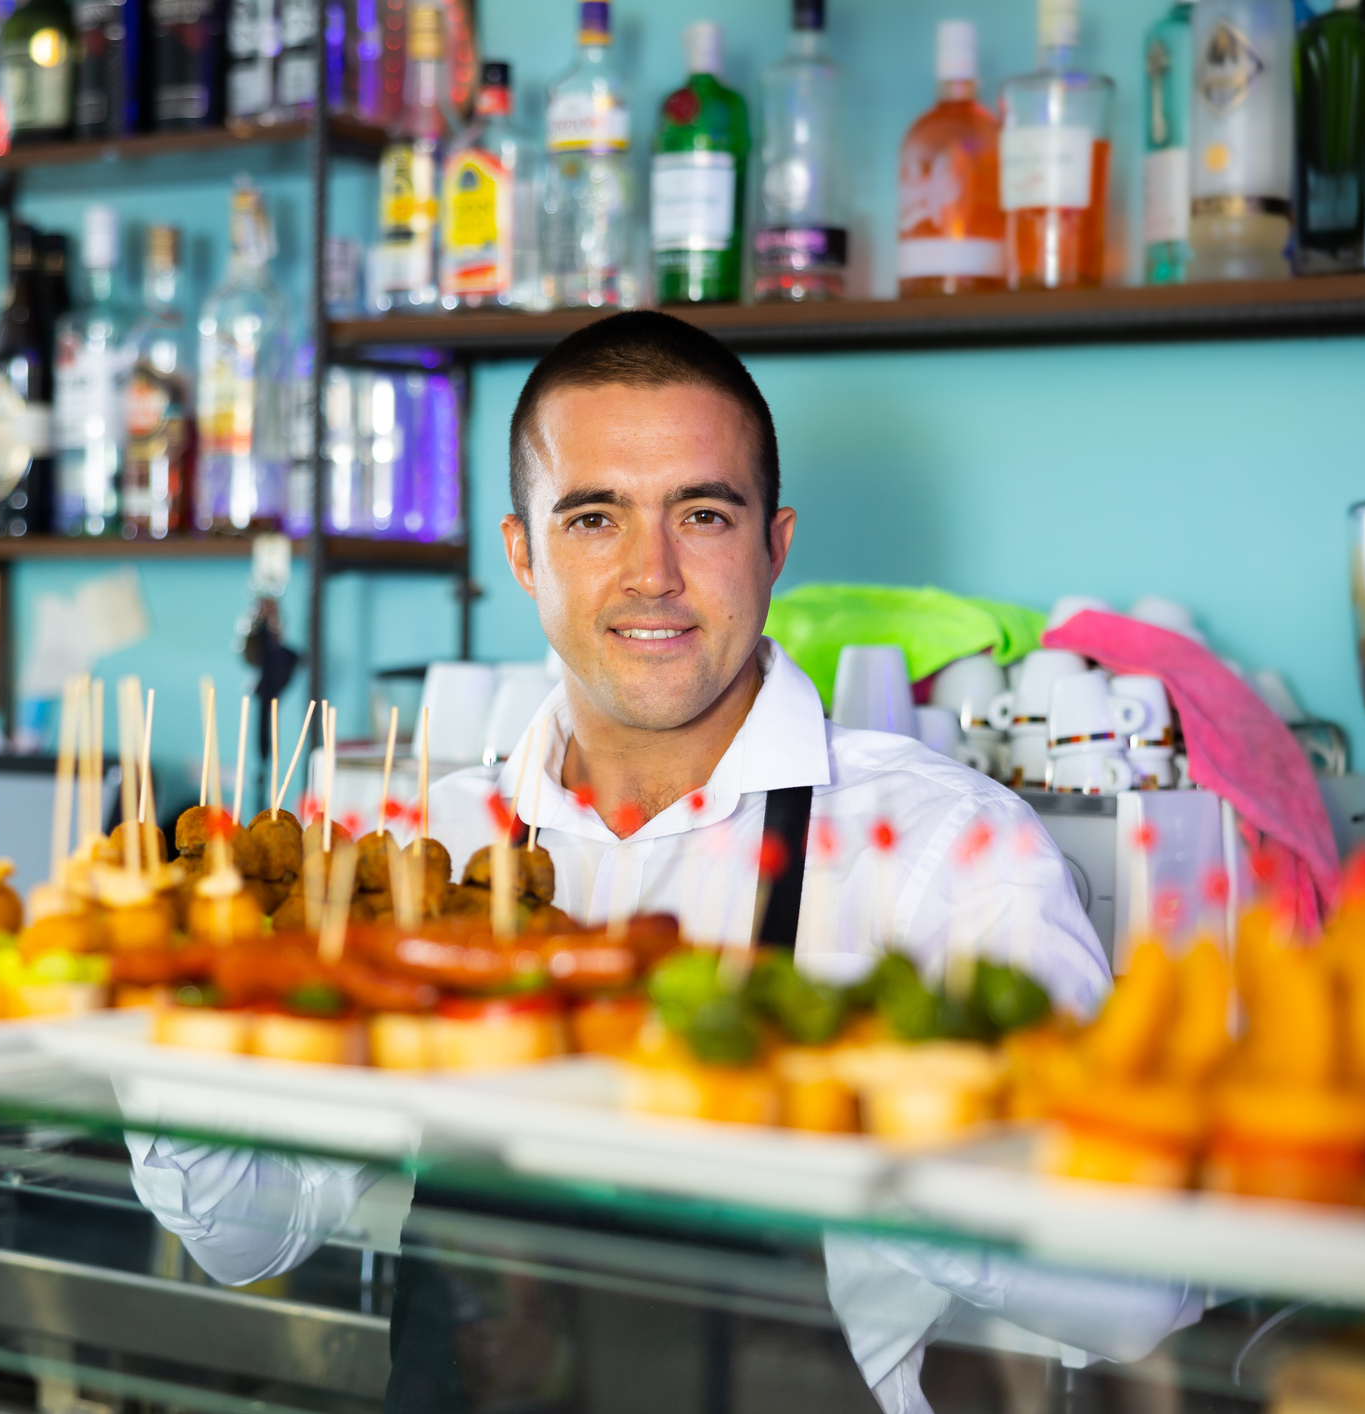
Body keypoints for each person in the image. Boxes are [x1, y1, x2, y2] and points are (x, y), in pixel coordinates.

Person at [127, 311, 1127, 1412]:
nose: (652, 572)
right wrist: (176, 1020)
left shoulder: (948, 846)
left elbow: (1137, 1292)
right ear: (522, 552)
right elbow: (244, 1237)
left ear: (775, 545)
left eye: (702, 514)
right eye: (595, 517)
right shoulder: (428, 851)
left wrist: (863, 1114)